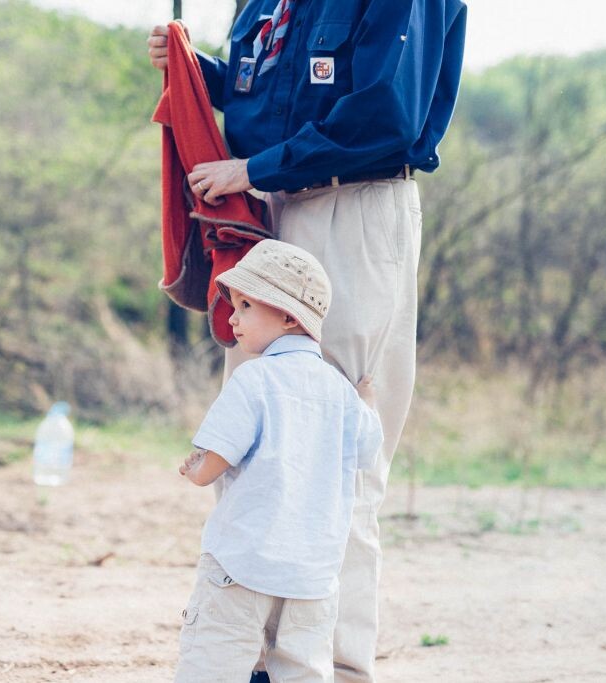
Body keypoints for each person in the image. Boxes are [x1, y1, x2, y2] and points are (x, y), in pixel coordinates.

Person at [149, 1, 467, 680]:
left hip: (350, 203)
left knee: (337, 446)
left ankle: (336, 663)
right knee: (256, 442)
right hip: (266, 210)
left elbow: (385, 114)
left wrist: (255, 166)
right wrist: (198, 74)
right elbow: (270, 94)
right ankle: (258, 658)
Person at [174, 239, 382, 682]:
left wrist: (196, 468)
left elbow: (213, 462)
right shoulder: (340, 391)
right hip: (313, 576)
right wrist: (366, 402)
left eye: (246, 305)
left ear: (290, 317)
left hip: (242, 565)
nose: (232, 318)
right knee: (302, 670)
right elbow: (366, 451)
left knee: (215, 661)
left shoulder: (254, 378)